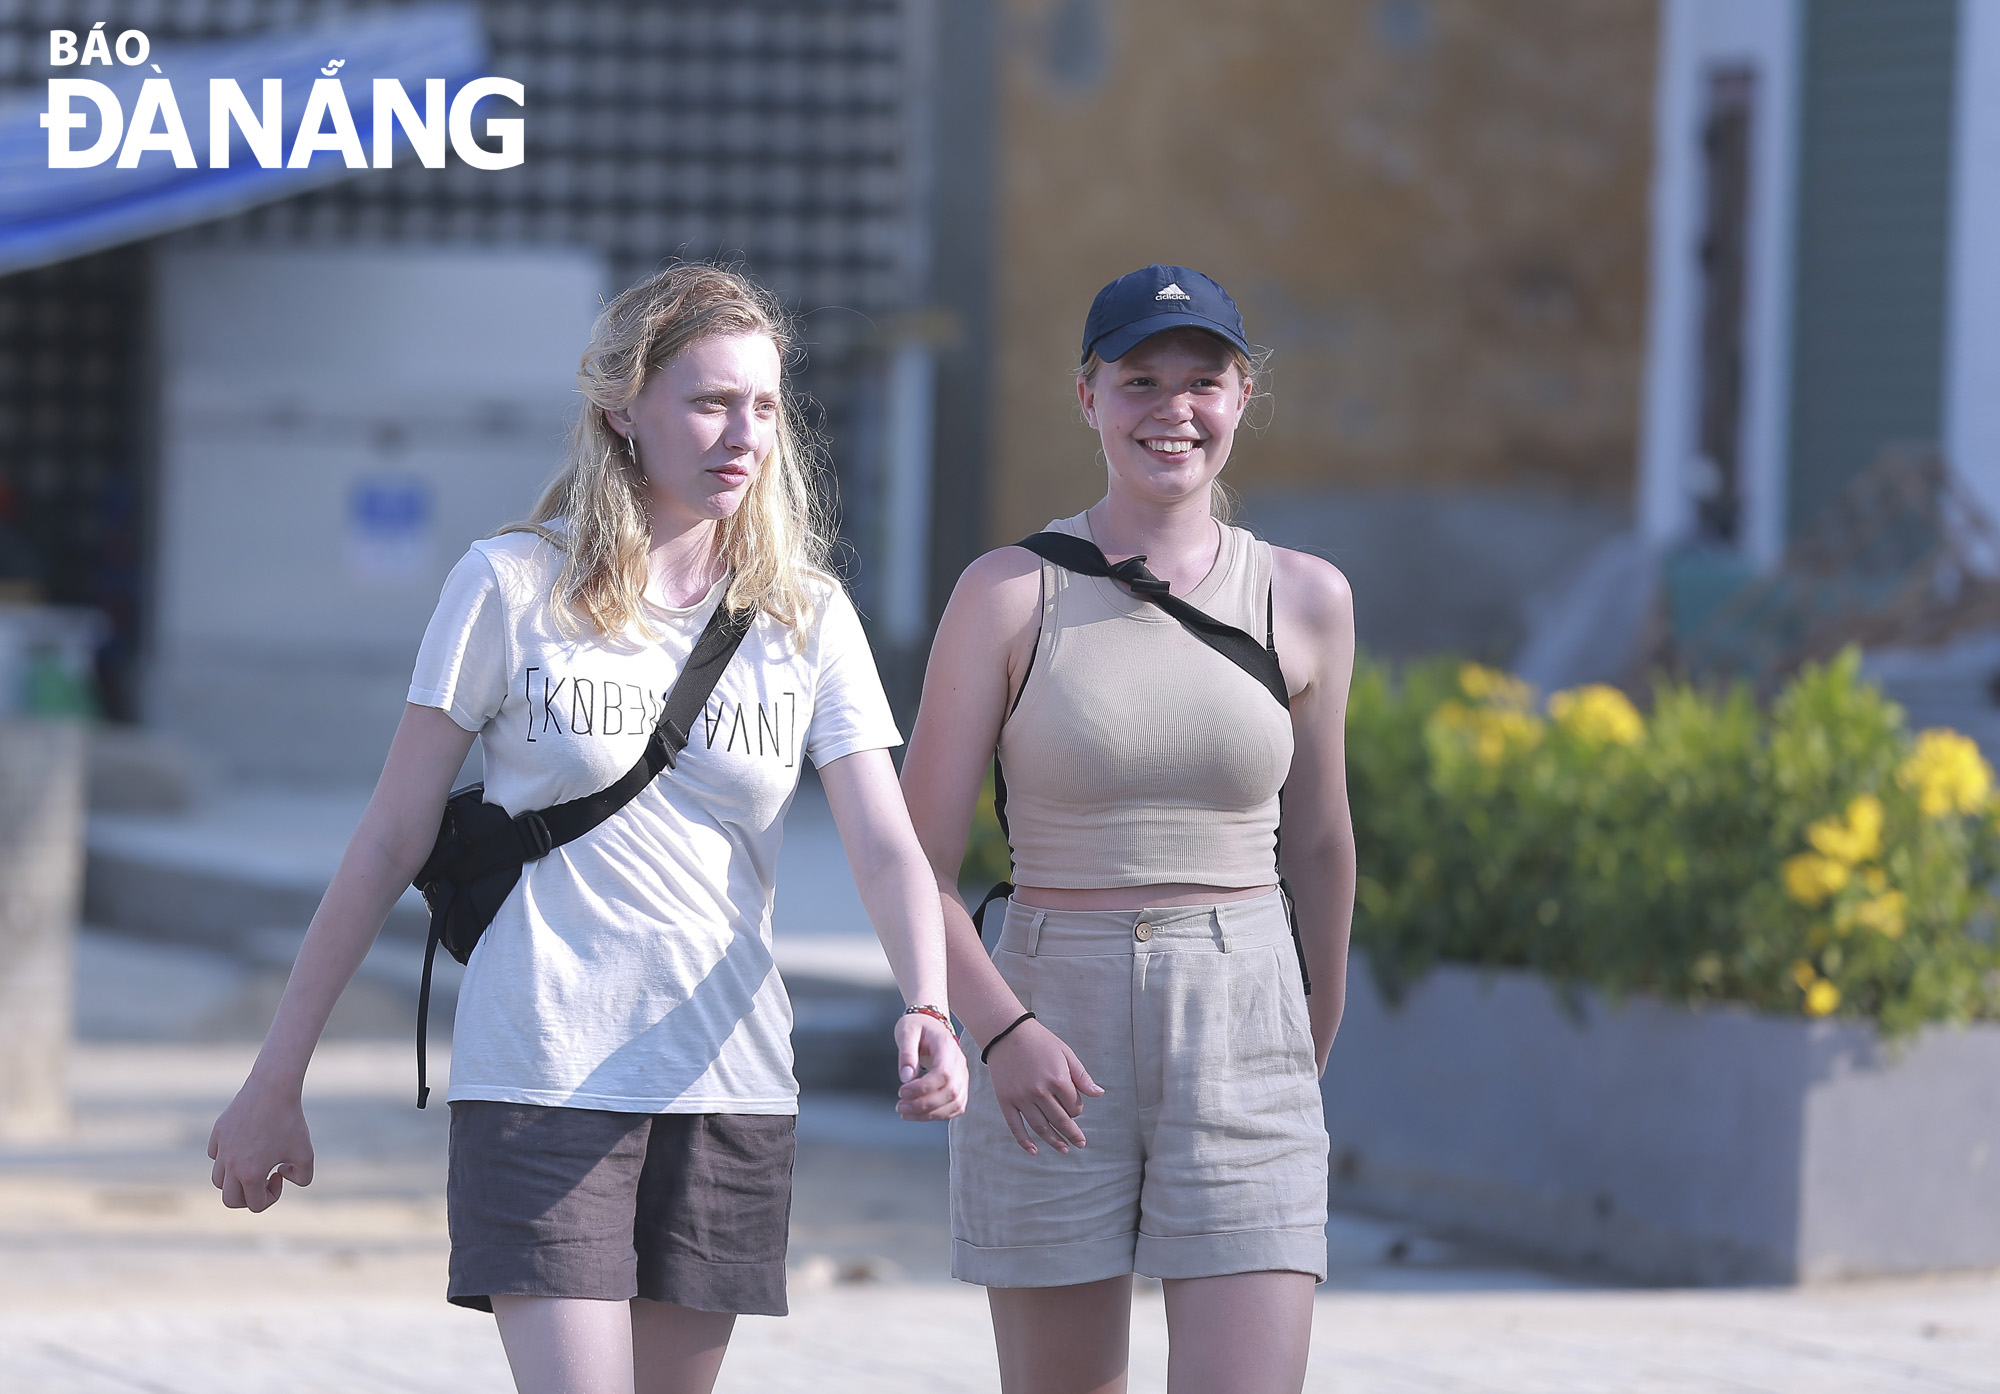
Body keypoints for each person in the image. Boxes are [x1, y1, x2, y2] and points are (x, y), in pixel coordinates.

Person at [208, 263, 968, 1394]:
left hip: (730, 1078)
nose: (743, 434)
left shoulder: (802, 613)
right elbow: (386, 839)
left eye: (763, 406)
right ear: (623, 405)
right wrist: (276, 1074)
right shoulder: (510, 584)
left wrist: (927, 999)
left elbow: (883, 840)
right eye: (710, 401)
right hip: (542, 1071)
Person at [900, 265, 1356, 1394]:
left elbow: (1320, 845)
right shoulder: (1006, 592)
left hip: (1246, 1009)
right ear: (1085, 396)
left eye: (1202, 381)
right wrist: (998, 1030)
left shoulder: (1305, 597)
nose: (1173, 409)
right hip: (1052, 1013)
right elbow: (912, 860)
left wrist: (1307, 1035)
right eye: (1138, 379)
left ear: (1244, 395)